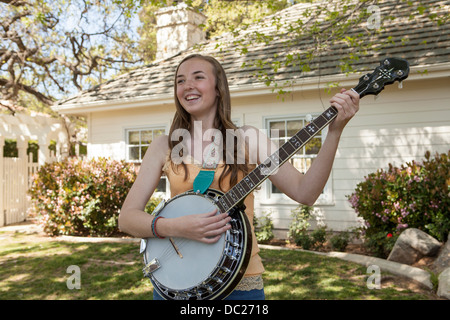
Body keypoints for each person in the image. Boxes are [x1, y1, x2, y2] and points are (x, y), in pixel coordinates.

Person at [118, 54, 360, 300]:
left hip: (238, 283)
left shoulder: (248, 140)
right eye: (180, 81)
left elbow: (305, 192)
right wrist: (175, 227)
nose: (187, 85)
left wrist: (334, 132)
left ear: (218, 88)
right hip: (177, 281)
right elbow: (126, 219)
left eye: (198, 77)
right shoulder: (164, 146)